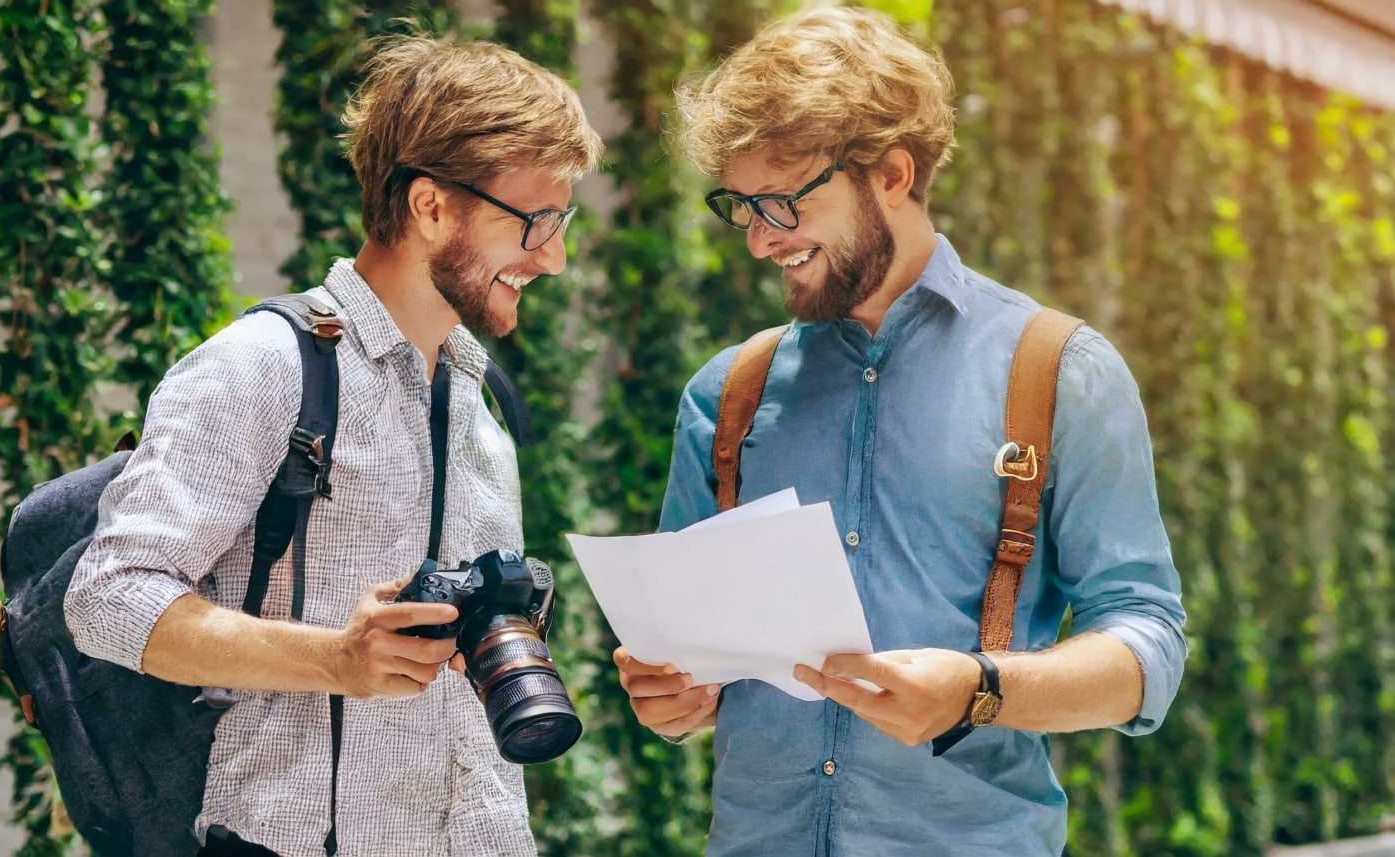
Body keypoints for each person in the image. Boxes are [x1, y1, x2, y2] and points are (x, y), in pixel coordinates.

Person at [612, 7, 1187, 856]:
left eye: (783, 201)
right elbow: (686, 666)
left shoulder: (1060, 371)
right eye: (742, 207)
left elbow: (1148, 647)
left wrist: (977, 690)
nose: (762, 240)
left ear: (891, 173)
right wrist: (670, 700)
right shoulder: (727, 394)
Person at [65, 30, 603, 857]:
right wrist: (335, 659)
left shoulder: (480, 402)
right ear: (431, 207)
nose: (555, 257)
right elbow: (107, 596)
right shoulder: (263, 367)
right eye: (535, 221)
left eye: (561, 222)